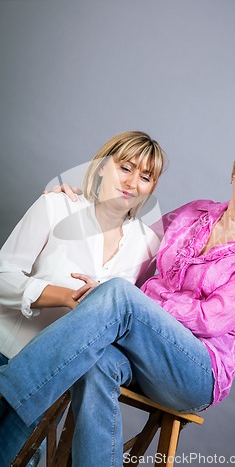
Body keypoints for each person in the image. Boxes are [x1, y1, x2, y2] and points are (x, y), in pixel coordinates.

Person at [0, 138, 235, 467]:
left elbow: (212, 319)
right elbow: (130, 236)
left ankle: (7, 391)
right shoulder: (194, 213)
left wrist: (138, 303)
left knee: (118, 294)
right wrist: (76, 202)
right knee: (95, 360)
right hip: (142, 352)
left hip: (198, 370)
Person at [0, 131, 166, 465]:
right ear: (103, 166)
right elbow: (3, 276)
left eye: (145, 176)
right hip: (7, 354)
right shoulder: (57, 205)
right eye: (125, 167)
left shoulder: (148, 244)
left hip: (54, 384)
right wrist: (65, 296)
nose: (133, 182)